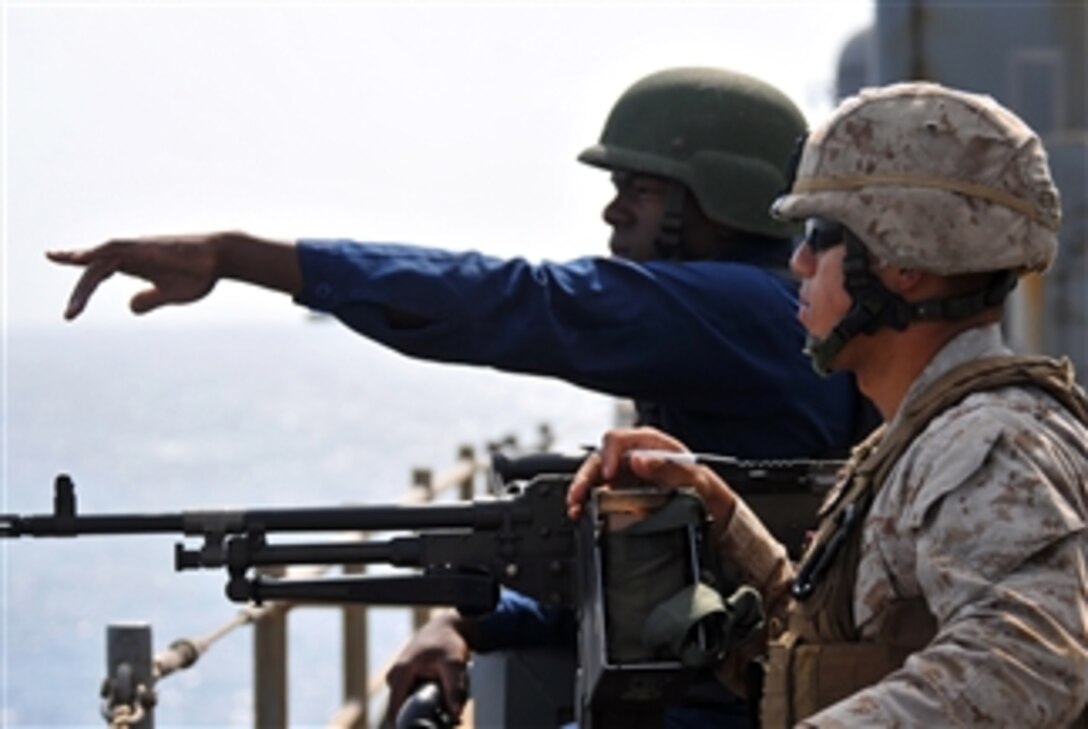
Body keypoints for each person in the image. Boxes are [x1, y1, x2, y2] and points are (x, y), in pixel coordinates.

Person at [47, 68, 872, 725]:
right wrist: (473, 620)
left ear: (715, 199)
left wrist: (237, 257)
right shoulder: (753, 316)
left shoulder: (731, 309)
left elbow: (512, 302)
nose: (612, 207)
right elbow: (660, 578)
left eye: (642, 188)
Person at [568, 81, 1088, 728]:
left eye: (822, 234)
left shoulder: (988, 443)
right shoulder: (921, 437)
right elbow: (843, 651)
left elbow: (1026, 665)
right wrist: (718, 507)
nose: (800, 260)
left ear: (902, 262)